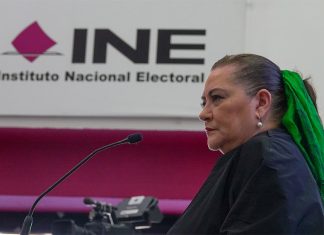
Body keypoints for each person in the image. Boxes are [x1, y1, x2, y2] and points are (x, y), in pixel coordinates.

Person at [167, 54, 324, 234]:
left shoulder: (268, 157)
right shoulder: (268, 155)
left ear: (261, 103)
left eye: (217, 98)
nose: (203, 113)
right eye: (204, 102)